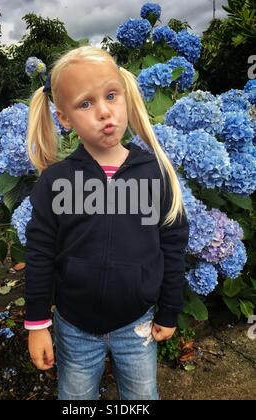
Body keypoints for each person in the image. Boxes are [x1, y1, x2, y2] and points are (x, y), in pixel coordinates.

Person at [24, 45, 189, 400]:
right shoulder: (56, 181)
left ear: (125, 96)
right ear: (64, 118)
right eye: (85, 104)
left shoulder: (154, 173)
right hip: (74, 328)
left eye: (111, 95)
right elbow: (39, 253)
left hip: (138, 325)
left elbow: (173, 244)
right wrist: (37, 324)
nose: (103, 112)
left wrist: (170, 309)